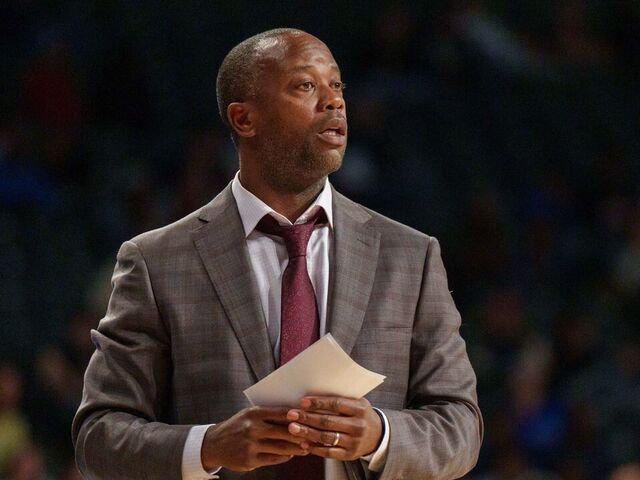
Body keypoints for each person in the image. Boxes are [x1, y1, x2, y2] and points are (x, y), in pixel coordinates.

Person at [72, 28, 483, 480]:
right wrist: (207, 447)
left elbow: (460, 425)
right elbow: (99, 435)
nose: (334, 101)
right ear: (244, 119)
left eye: (337, 86)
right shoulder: (156, 262)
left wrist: (379, 436)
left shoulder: (411, 256)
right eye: (306, 86)